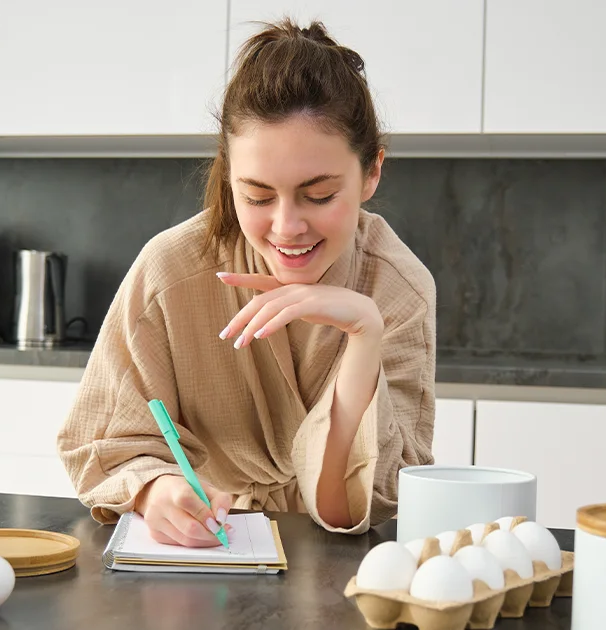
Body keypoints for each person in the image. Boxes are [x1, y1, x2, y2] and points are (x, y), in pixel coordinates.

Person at [56, 17, 436, 547]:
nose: (287, 227)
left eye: (320, 195)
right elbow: (111, 442)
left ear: (372, 171)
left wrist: (364, 335)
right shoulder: (171, 270)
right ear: (228, 175)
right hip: (206, 554)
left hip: (334, 567)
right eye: (257, 196)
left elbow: (346, 509)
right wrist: (157, 489)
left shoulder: (399, 290)